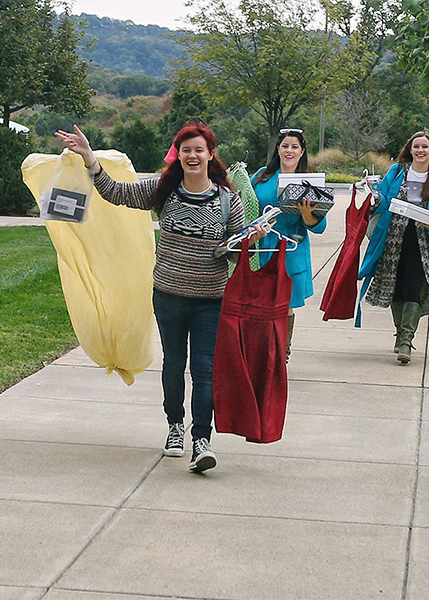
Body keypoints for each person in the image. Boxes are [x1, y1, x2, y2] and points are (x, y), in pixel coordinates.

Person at [55, 122, 266, 473]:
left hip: (211, 299)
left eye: (199, 149)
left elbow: (236, 256)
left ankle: (202, 441)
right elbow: (115, 192)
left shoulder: (228, 200)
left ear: (211, 154)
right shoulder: (163, 191)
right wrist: (90, 157)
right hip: (168, 294)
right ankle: (174, 428)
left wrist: (248, 240)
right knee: (172, 364)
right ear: (178, 155)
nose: (192, 156)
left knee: (204, 369)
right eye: (186, 150)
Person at [359, 131, 429, 364]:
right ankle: (400, 332)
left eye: (424, 147)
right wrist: (373, 198)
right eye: (416, 147)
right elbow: (382, 195)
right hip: (391, 238)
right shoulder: (396, 171)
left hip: (420, 241)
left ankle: (406, 340)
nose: (420, 151)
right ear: (410, 150)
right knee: (396, 285)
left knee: (413, 285)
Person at [250, 128, 326, 361]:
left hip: (291, 245)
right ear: (278, 149)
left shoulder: (310, 182)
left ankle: (282, 349)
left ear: (302, 152)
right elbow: (244, 203)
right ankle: (261, 348)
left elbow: (319, 226)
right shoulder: (262, 176)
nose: (289, 150)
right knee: (260, 299)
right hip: (262, 243)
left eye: (294, 147)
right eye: (285, 146)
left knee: (285, 301)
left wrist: (306, 214)